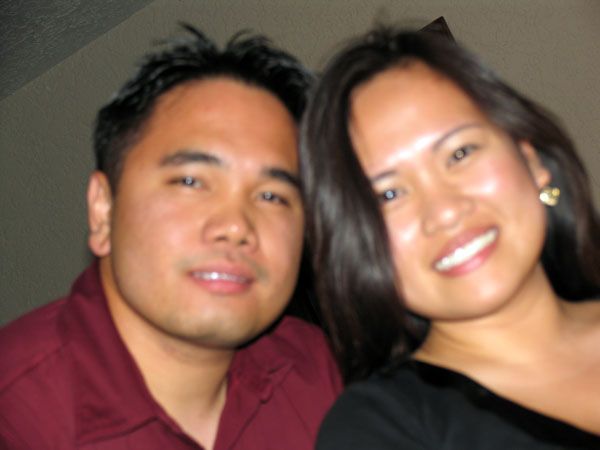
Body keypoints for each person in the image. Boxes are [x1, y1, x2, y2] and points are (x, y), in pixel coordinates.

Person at [0, 25, 341, 450]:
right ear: (103, 211)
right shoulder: (16, 414)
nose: (237, 226)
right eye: (191, 181)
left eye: (272, 195)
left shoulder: (321, 374)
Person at [300, 26, 600, 449]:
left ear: (530, 160)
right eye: (389, 194)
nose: (444, 211)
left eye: (460, 153)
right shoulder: (381, 429)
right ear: (360, 244)